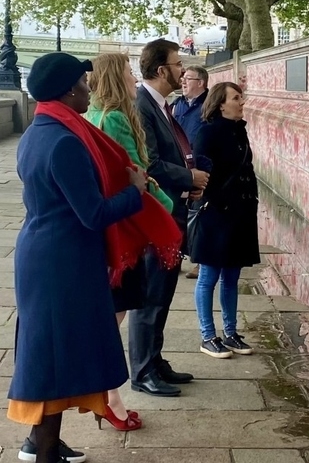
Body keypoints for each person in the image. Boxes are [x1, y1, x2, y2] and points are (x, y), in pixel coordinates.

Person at [9, 52, 181, 463]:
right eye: (84, 84)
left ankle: (39, 442)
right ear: (68, 90)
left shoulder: (40, 130)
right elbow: (94, 214)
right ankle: (45, 452)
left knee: (56, 350)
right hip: (61, 262)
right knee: (54, 357)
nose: (90, 90)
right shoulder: (65, 141)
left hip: (48, 253)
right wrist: (135, 189)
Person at [84, 53, 175, 431]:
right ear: (114, 79)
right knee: (113, 319)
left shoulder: (92, 115)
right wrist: (168, 209)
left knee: (111, 317)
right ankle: (106, 395)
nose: (133, 78)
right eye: (127, 72)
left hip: (109, 233)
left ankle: (110, 398)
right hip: (127, 233)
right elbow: (138, 176)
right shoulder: (117, 118)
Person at [129, 39, 210, 397]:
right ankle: (143, 370)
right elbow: (148, 163)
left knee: (163, 291)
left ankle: (155, 360)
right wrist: (187, 178)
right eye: (178, 65)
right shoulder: (142, 105)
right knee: (150, 294)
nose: (182, 71)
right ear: (161, 70)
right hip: (156, 214)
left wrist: (186, 184)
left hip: (172, 207)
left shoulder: (161, 105)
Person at [189, 82, 260, 358]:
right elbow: (200, 172)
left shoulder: (239, 131)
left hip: (241, 214)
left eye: (241, 97)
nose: (241, 102)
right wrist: (217, 199)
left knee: (232, 276)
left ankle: (230, 333)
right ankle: (208, 336)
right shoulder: (207, 133)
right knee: (209, 276)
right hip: (217, 213)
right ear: (221, 103)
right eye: (236, 98)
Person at [173, 65, 209, 280]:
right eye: (183, 78)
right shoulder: (177, 104)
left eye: (189, 78)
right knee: (179, 214)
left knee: (199, 215)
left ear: (201, 82)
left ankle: (199, 260)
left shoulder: (207, 106)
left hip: (198, 167)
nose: (183, 81)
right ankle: (176, 256)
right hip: (179, 167)